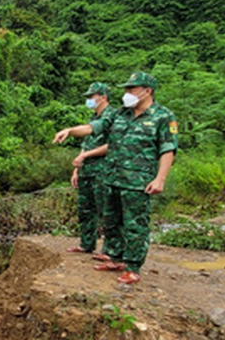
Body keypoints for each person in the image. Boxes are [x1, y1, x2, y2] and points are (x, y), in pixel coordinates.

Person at [53, 72, 178, 285]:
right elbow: (94, 127)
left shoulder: (163, 116)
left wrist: (160, 179)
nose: (126, 93)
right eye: (125, 89)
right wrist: (70, 130)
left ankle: (133, 266)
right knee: (110, 220)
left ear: (147, 91)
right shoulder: (121, 113)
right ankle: (115, 258)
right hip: (111, 177)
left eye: (131, 89)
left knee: (134, 223)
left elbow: (168, 149)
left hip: (137, 180)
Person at [63, 82, 115, 255]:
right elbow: (86, 144)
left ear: (103, 97)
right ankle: (86, 244)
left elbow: (113, 145)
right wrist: (77, 169)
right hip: (87, 171)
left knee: (106, 211)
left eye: (91, 97)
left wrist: (85, 156)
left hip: (103, 170)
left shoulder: (112, 117)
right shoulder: (94, 119)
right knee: (85, 209)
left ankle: (110, 250)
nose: (89, 100)